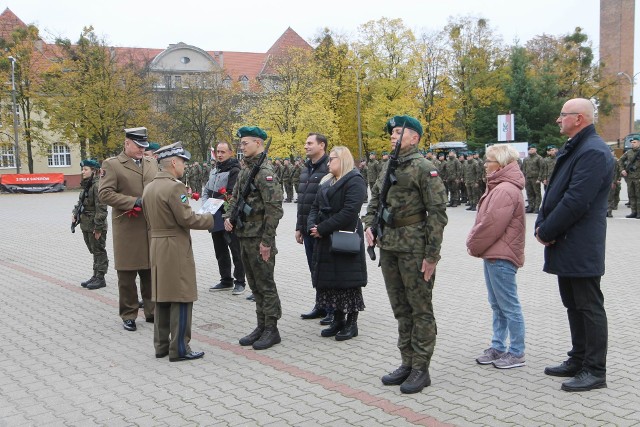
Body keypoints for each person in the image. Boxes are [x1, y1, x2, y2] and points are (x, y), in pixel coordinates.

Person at [364, 115, 448, 394]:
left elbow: (437, 213)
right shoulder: (389, 165)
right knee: (401, 309)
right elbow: (375, 198)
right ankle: (407, 362)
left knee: (420, 309)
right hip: (389, 246)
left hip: (414, 247)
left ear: (415, 138)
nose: (393, 136)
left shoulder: (425, 168)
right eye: (392, 132)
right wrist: (369, 226)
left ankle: (421, 368)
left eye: (400, 132)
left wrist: (432, 255)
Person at [535, 98, 614, 392]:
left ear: (579, 118)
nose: (558, 119)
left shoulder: (593, 151)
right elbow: (556, 192)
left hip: (579, 242)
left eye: (563, 114)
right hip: (566, 241)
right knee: (573, 304)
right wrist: (542, 225)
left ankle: (595, 370)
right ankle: (578, 358)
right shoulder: (578, 147)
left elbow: (576, 200)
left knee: (588, 306)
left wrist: (547, 229)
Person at [142, 142, 214, 362]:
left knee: (162, 296)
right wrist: (211, 218)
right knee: (182, 296)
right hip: (174, 246)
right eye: (182, 161)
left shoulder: (149, 187)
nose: (184, 166)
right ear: (173, 162)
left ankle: (162, 345)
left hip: (156, 244)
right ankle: (180, 347)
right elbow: (186, 218)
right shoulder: (174, 187)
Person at [466, 144, 527, 369]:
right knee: (497, 305)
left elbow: (490, 225)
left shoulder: (504, 190)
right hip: (495, 254)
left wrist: (472, 243)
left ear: (500, 164)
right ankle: (498, 346)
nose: (485, 165)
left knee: (508, 306)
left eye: (488, 161)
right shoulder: (501, 186)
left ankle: (517, 352)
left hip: (501, 255)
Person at [224, 126, 284, 350]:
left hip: (259, 237)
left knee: (266, 284)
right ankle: (261, 325)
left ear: (258, 143)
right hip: (244, 235)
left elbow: (274, 209)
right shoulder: (246, 169)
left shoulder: (264, 172)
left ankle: (272, 328)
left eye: (245, 143)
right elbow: (236, 198)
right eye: (240, 143)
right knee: (254, 284)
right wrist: (229, 216)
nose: (242, 146)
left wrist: (267, 241)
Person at [99, 127, 158, 332]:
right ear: (127, 144)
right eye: (138, 145)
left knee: (150, 271)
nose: (142, 149)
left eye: (144, 146)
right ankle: (129, 313)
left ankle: (152, 311)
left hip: (150, 225)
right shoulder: (112, 164)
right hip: (127, 226)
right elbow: (105, 194)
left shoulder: (152, 162)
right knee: (127, 275)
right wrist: (133, 202)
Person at [307, 146, 367, 341]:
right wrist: (312, 225)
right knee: (332, 281)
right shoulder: (327, 181)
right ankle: (338, 319)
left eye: (331, 159)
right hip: (325, 239)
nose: (328, 163)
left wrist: (322, 228)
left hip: (344, 237)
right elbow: (314, 206)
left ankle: (352, 323)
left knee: (347, 281)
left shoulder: (354, 180)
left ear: (342, 160)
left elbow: (349, 212)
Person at [296, 133, 331, 324]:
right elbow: (302, 200)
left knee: (325, 269)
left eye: (310, 143)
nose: (305, 146)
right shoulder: (306, 168)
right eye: (305, 143)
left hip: (322, 229)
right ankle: (320, 304)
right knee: (314, 269)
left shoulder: (329, 167)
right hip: (307, 229)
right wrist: (299, 227)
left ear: (322, 146)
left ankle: (331, 307)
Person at [203, 141, 246, 295]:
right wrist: (205, 206)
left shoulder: (235, 170)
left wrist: (217, 203)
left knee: (235, 249)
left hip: (229, 215)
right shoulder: (214, 170)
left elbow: (232, 193)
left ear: (230, 153)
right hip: (214, 214)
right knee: (220, 249)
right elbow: (206, 189)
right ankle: (225, 279)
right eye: (218, 152)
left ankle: (240, 281)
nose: (220, 155)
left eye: (223, 152)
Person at [73, 159, 109, 290]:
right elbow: (80, 202)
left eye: (86, 169)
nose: (83, 172)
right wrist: (75, 213)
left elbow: (102, 208)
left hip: (95, 224)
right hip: (86, 224)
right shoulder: (88, 185)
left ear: (94, 171)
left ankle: (100, 277)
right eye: (83, 169)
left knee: (99, 250)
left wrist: (98, 227)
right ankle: (95, 275)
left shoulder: (98, 186)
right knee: (94, 250)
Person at [618, 137, 640, 218]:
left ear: (639, 142)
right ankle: (633, 212)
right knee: (631, 195)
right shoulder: (628, 152)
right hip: (630, 177)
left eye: (634, 142)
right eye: (632, 142)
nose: (632, 143)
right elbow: (620, 161)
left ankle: (639, 212)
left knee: (639, 195)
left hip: (638, 178)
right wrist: (622, 170)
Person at [523, 144, 543, 213]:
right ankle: (531, 206)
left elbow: (541, 169)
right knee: (529, 193)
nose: (530, 150)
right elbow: (524, 169)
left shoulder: (539, 158)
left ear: (535, 149)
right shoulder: (526, 159)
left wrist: (539, 178)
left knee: (537, 193)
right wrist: (524, 178)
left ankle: (537, 207)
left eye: (532, 149)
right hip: (528, 178)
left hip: (535, 178)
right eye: (529, 149)